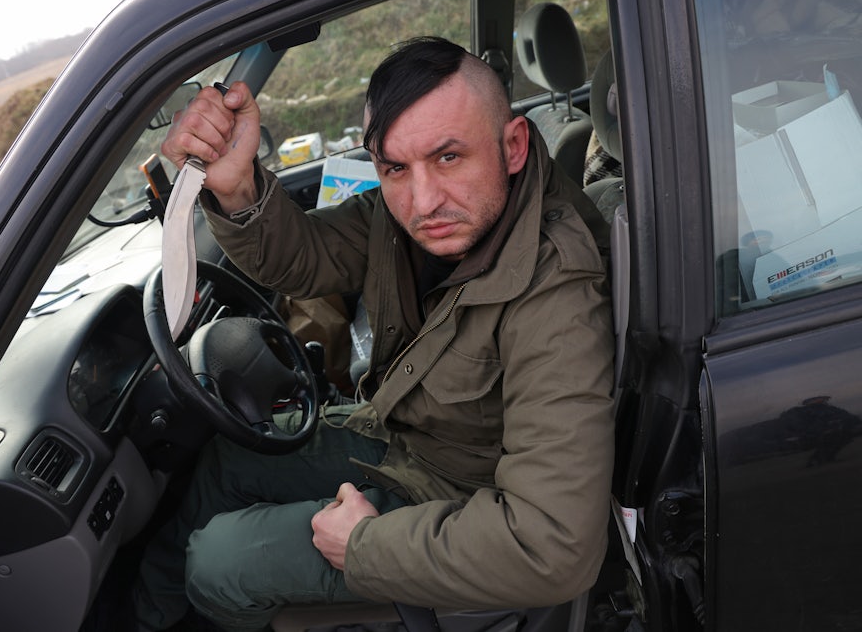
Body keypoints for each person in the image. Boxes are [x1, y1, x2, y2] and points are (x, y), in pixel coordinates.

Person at [134, 36, 615, 631]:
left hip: (464, 499)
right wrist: (235, 187)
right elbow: (304, 258)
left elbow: (553, 546)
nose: (423, 202)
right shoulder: (407, 216)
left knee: (218, 562)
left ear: (513, 146)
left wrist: (364, 544)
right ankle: (146, 620)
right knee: (227, 459)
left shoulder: (556, 286)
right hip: (403, 435)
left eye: (449, 157)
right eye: (394, 168)